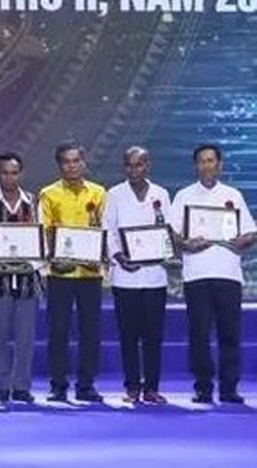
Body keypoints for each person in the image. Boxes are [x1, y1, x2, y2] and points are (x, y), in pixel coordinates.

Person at [172, 143, 255, 404]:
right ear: (195, 165)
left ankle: (229, 388)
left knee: (229, 334)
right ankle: (203, 387)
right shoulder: (184, 196)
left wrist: (246, 240)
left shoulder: (233, 195)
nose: (207, 166)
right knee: (199, 334)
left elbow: (250, 232)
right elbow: (173, 234)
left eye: (211, 161)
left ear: (220, 165)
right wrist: (186, 244)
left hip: (228, 273)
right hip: (197, 274)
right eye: (202, 161)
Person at [103, 146, 172, 404]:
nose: (134, 170)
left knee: (153, 336)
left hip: (155, 276)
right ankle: (132, 386)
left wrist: (164, 249)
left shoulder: (161, 194)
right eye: (129, 165)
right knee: (129, 335)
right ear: (124, 167)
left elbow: (168, 229)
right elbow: (108, 231)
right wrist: (120, 258)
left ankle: (152, 387)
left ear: (148, 165)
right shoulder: (115, 194)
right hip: (125, 276)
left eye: (139, 165)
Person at [38, 141, 106, 403]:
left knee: (90, 331)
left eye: (76, 160)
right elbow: (45, 232)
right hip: (60, 274)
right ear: (59, 165)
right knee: (59, 331)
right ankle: (58, 385)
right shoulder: (49, 194)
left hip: (90, 274)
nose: (72, 165)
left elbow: (104, 230)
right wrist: (55, 258)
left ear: (84, 162)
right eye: (66, 161)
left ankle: (86, 385)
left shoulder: (99, 193)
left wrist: (98, 255)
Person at [0, 152, 42, 403]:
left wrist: (30, 264)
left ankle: (22, 386)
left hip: (28, 282)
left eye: (14, 173)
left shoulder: (34, 202)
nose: (10, 178)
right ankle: (2, 385)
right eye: (5, 173)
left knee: (26, 337)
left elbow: (41, 242)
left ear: (21, 174)